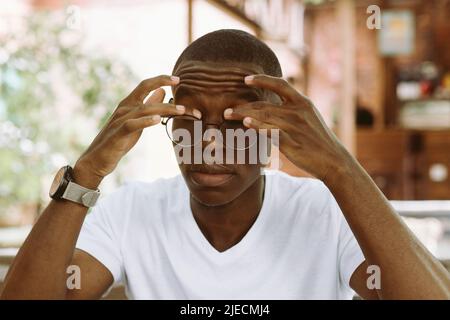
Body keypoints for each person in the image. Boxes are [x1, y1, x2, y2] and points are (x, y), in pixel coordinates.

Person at [1, 30, 449, 300]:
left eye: (239, 120)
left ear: (276, 124)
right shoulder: (131, 210)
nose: (209, 144)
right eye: (190, 118)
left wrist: (340, 169)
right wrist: (86, 175)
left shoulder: (323, 210)